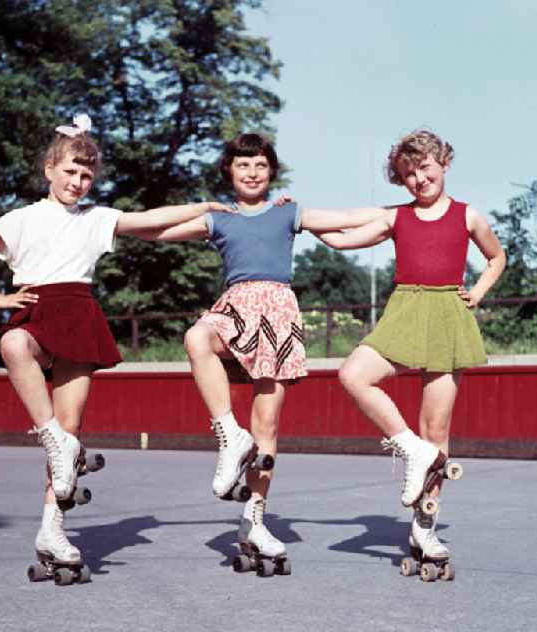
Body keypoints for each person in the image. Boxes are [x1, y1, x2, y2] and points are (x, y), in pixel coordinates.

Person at [0, 113, 233, 572]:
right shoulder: (21, 218)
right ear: (49, 169)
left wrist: (206, 207)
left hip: (79, 314)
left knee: (68, 436)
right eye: (70, 172)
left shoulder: (95, 218)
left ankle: (53, 530)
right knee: (14, 348)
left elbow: (149, 219)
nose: (78, 182)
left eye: (87, 175)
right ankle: (52, 440)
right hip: (36, 308)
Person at [131, 132, 382, 570]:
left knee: (267, 425)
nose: (251, 172)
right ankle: (229, 435)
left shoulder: (287, 213)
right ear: (229, 170)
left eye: (260, 165)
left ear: (271, 171)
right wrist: (200, 207)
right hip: (236, 306)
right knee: (197, 338)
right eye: (243, 165)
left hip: (278, 312)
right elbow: (154, 233)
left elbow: (343, 218)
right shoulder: (220, 218)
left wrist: (396, 214)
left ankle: (254, 521)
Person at [313, 129, 506, 575]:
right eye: (408, 174)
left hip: (447, 316)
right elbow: (343, 238)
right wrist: (297, 221)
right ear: (401, 181)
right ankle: (407, 448)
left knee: (436, 431)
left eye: (424, 168)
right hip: (404, 310)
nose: (418, 179)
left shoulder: (467, 215)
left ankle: (425, 526)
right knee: (353, 375)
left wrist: (477, 292)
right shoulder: (395, 218)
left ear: (443, 163)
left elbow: (496, 258)